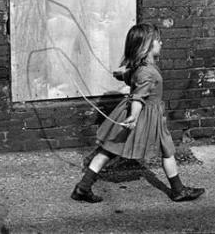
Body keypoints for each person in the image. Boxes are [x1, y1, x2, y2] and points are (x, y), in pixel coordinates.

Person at [71, 23, 205, 203]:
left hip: (141, 114)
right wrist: (133, 116)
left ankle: (83, 187)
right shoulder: (147, 72)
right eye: (158, 40)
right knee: (167, 151)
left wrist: (121, 76)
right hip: (145, 116)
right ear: (147, 46)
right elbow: (138, 97)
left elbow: (132, 78)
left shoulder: (140, 68)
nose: (161, 43)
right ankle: (178, 190)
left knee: (108, 150)